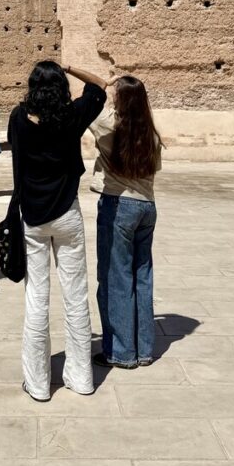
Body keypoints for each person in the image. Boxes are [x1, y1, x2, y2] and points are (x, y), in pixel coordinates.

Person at [8, 60, 112, 402]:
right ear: (61, 88)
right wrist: (68, 67)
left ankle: (38, 383)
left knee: (36, 298)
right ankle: (81, 378)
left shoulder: (18, 118)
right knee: (75, 296)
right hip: (67, 213)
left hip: (33, 217)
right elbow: (100, 87)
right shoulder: (71, 116)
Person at [89, 75, 162, 368]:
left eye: (116, 94)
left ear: (122, 99)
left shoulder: (109, 125)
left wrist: (101, 81)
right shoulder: (152, 134)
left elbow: (92, 95)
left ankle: (120, 352)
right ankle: (143, 349)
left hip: (119, 205)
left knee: (115, 278)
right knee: (142, 277)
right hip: (147, 207)